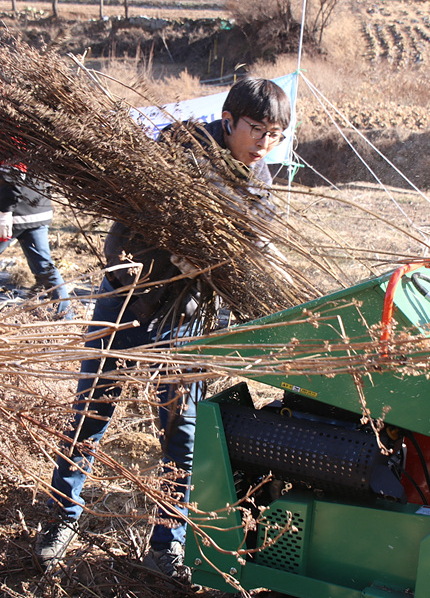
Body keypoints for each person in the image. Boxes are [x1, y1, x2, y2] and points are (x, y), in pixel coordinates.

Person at [35, 77, 291, 580]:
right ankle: (61, 516)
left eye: (275, 135)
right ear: (228, 121)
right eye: (257, 129)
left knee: (182, 432)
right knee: (92, 409)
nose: (264, 143)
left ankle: (166, 543)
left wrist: (222, 262)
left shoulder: (258, 183)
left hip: (186, 316)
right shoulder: (180, 147)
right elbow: (130, 210)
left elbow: (254, 239)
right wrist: (165, 250)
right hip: (129, 298)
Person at [0, 144, 70, 314]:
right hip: (36, 210)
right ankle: (66, 315)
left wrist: (4, 211)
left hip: (12, 215)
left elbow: (14, 173)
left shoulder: (8, 132)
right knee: (44, 268)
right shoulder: (34, 131)